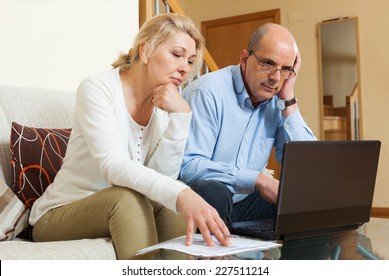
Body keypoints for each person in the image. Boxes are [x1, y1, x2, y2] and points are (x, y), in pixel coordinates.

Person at [29, 13, 231, 260]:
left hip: (118, 207)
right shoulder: (97, 88)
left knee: (168, 207)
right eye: (177, 55)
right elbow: (113, 166)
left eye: (190, 61)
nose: (184, 68)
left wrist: (181, 118)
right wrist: (182, 194)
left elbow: (161, 177)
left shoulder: (164, 107)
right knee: (128, 199)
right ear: (145, 51)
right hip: (59, 214)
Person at [179, 23, 317, 226]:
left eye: (285, 69)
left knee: (307, 196)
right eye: (268, 63)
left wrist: (288, 98)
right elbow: (189, 166)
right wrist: (258, 180)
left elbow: (308, 166)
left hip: (242, 202)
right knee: (215, 191)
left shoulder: (276, 101)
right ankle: (219, 256)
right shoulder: (207, 92)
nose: (275, 78)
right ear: (244, 59)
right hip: (201, 199)